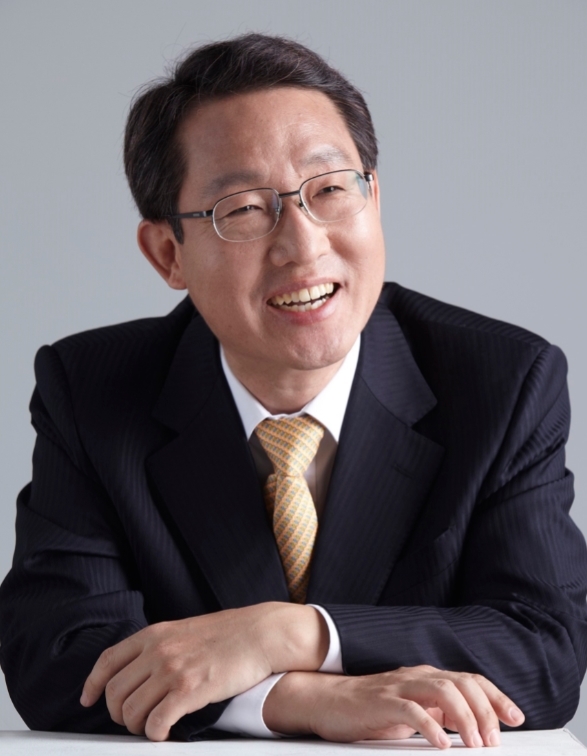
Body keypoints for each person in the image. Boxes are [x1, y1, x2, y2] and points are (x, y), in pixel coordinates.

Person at [1, 33, 586, 749]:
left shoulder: (500, 383)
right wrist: (291, 700)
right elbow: (55, 657)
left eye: (330, 189)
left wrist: (287, 634)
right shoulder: (92, 391)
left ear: (374, 197)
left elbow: (545, 652)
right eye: (244, 209)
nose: (303, 246)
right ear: (168, 254)